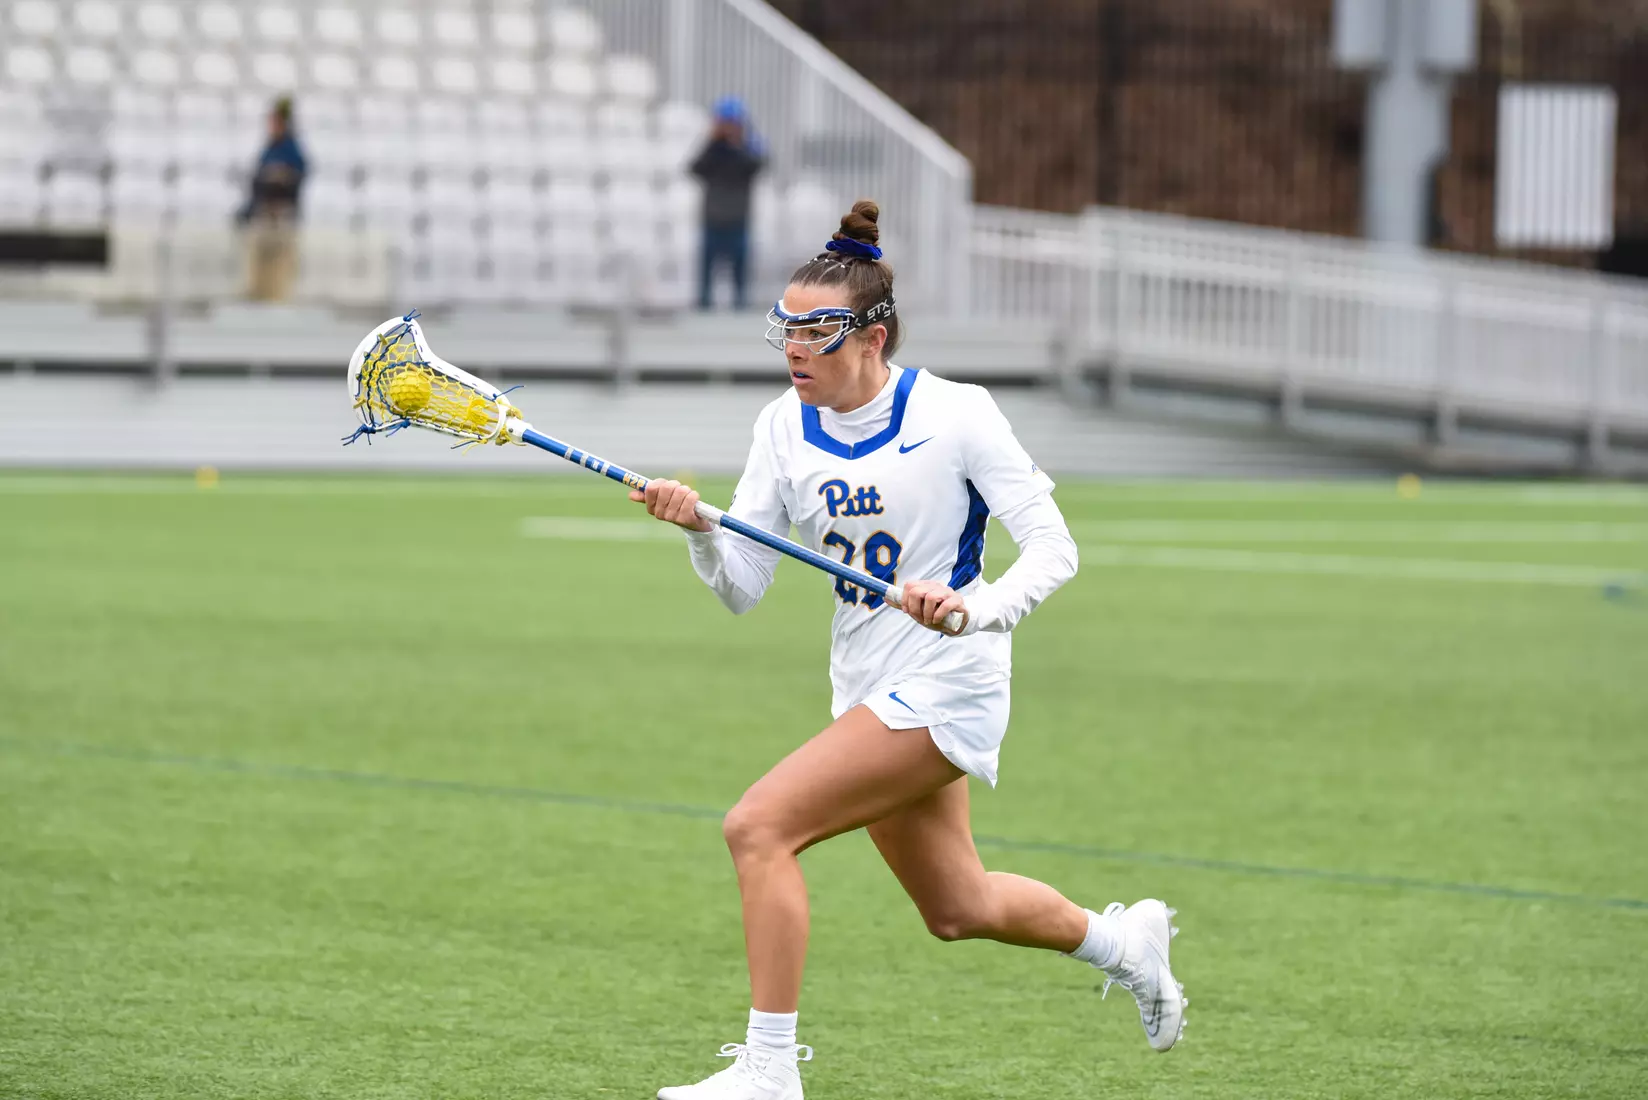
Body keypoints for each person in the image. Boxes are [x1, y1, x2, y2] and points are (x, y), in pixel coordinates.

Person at [634, 200, 1187, 1100]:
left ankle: (770, 1072)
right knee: (957, 909)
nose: (794, 350)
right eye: (785, 330)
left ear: (874, 335)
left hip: (952, 679)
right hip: (867, 685)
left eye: (816, 332)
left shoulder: (957, 413)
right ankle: (1128, 944)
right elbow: (744, 585)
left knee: (758, 827)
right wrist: (699, 530)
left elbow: (1055, 548)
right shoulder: (782, 425)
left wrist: (976, 610)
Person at [690, 96, 765, 311]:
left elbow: (758, 165)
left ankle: (740, 307)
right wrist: (713, 142)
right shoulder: (712, 150)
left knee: (739, 271)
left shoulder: (748, 150)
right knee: (707, 269)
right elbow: (695, 168)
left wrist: (738, 145)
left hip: (738, 220)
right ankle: (704, 307)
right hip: (712, 219)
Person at [238, 96, 307, 302]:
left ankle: (280, 296)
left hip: (282, 213)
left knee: (281, 258)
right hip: (265, 213)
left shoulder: (291, 148)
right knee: (260, 255)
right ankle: (258, 293)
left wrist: (279, 175)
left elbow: (297, 175)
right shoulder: (269, 149)